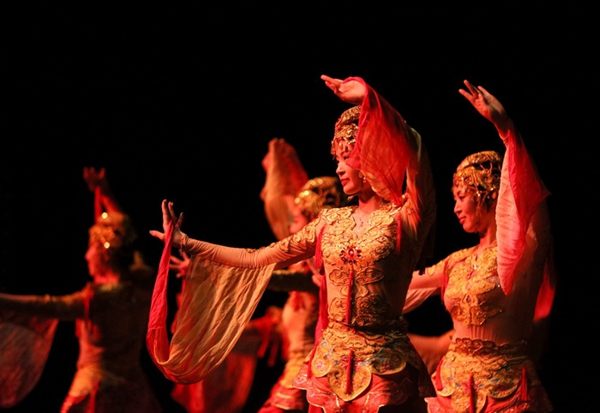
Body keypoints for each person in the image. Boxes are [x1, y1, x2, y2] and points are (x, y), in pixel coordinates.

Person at [147, 74, 437, 412]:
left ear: (372, 156)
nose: (340, 169)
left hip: (386, 368)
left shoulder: (404, 217)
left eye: (348, 158)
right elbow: (258, 258)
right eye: (337, 160)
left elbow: (414, 152)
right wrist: (188, 242)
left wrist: (369, 100)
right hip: (331, 365)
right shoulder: (330, 222)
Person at [406, 80, 556, 412]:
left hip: (506, 395)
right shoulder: (456, 261)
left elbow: (529, 196)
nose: (456, 208)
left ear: (488, 195)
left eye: (462, 197)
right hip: (450, 392)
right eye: (454, 199)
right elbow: (399, 286)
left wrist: (506, 131)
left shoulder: (521, 253)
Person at [0, 167, 163, 413]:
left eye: (91, 248)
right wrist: (105, 192)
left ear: (104, 254)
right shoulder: (143, 283)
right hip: (134, 392)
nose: (86, 255)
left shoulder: (99, 298)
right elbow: (124, 233)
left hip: (95, 391)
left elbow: (43, 305)